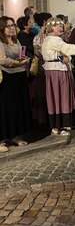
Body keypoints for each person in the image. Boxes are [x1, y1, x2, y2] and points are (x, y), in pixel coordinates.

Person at [0, 16, 31, 152]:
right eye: (9, 26)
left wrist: (25, 59)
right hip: (7, 79)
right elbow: (2, 60)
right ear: (2, 28)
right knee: (5, 109)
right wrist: (19, 62)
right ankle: (1, 140)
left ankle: (15, 136)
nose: (12, 28)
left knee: (18, 108)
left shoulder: (16, 40)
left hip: (19, 77)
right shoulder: (0, 42)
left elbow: (21, 55)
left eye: (13, 25)